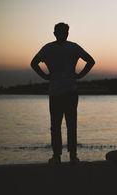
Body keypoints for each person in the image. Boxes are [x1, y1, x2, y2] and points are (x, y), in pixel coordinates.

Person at [31, 22, 95, 164]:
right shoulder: (73, 47)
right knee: (71, 125)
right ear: (66, 33)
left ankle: (57, 156)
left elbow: (34, 63)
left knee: (56, 126)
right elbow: (90, 61)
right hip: (70, 91)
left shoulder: (48, 48)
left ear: (55, 33)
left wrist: (45, 76)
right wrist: (79, 75)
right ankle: (72, 156)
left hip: (56, 92)